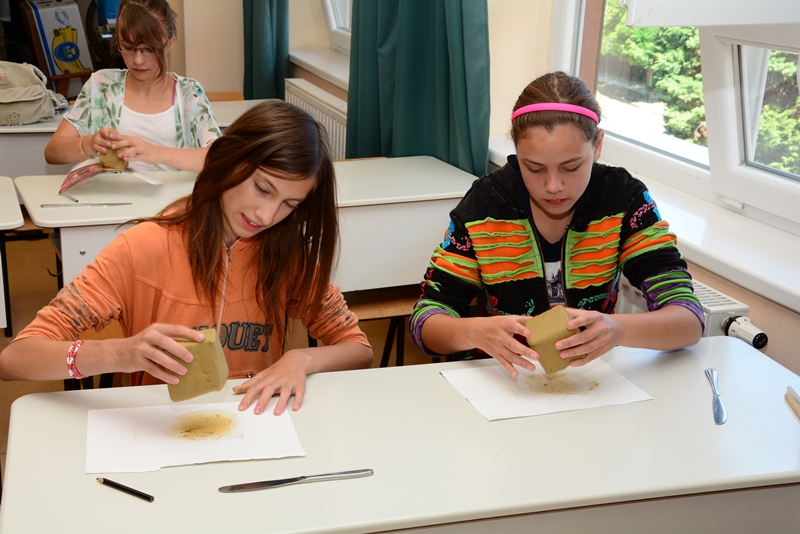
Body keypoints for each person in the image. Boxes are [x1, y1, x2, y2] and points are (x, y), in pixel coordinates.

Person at [0, 100, 374, 415]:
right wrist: (119, 353)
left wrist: (302, 360)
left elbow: (358, 349)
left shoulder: (285, 252)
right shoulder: (143, 247)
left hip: (250, 426)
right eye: (262, 188)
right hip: (161, 428)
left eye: (290, 204)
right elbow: (15, 358)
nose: (266, 215)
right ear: (228, 159)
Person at [410, 71, 704, 377]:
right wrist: (475, 332)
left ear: (598, 145)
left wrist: (618, 329)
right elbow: (425, 323)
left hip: (590, 376)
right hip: (501, 377)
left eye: (571, 167)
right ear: (517, 151)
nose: (553, 187)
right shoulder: (484, 207)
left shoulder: (623, 200)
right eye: (534, 169)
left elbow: (689, 319)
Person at [43, 0, 220, 173]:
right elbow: (52, 151)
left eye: (150, 49)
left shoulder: (189, 93)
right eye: (128, 48)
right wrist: (89, 143)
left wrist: (156, 153)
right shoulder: (101, 85)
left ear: (170, 44)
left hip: (174, 193)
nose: (138, 60)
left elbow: (219, 158)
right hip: (112, 193)